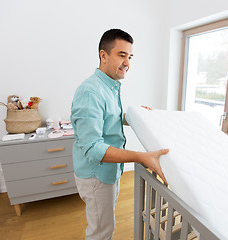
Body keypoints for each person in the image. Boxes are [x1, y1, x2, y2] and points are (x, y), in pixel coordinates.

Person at [70, 29, 168, 240]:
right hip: (96, 175)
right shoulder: (91, 92)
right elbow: (93, 148)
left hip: (109, 171)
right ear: (103, 55)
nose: (128, 63)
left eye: (130, 57)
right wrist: (140, 157)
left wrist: (133, 116)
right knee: (101, 232)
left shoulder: (109, 86)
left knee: (104, 223)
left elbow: (109, 117)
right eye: (122, 55)